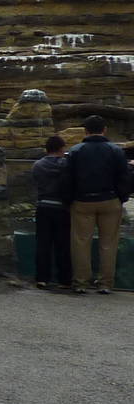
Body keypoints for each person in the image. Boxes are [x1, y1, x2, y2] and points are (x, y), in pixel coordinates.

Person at [64, 115, 132, 294]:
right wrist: (121, 197)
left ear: (85, 131)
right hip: (110, 200)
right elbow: (124, 177)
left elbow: (67, 179)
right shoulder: (115, 151)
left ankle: (81, 282)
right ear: (105, 130)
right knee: (108, 243)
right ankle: (105, 283)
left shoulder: (75, 151)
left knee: (80, 242)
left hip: (82, 201)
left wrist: (69, 199)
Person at [30, 135, 72, 289]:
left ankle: (42, 278)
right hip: (62, 208)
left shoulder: (38, 165)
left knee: (43, 244)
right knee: (63, 244)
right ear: (61, 148)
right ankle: (65, 279)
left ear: (46, 149)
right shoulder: (67, 165)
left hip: (43, 206)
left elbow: (35, 183)